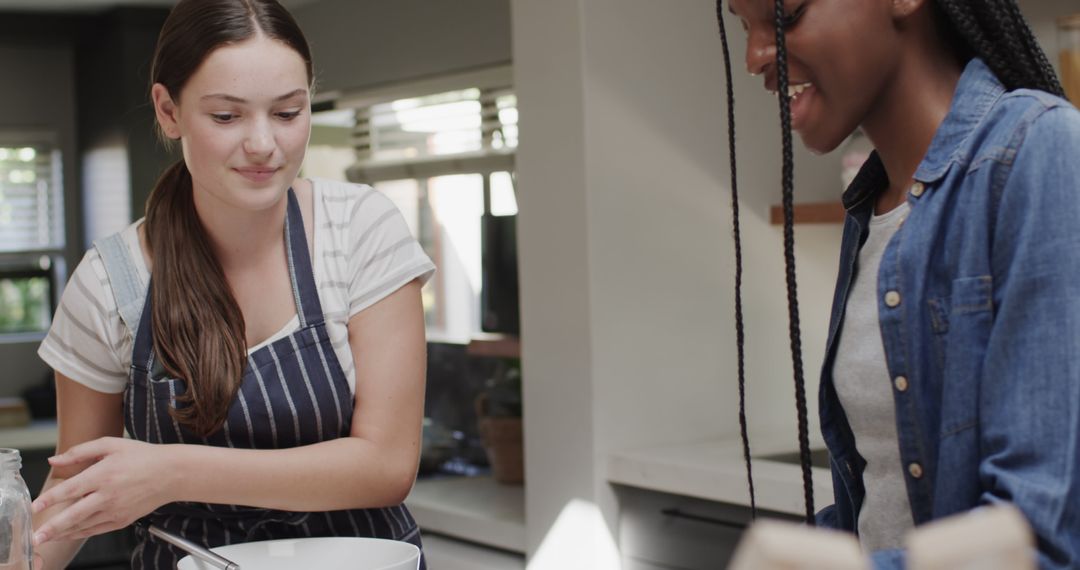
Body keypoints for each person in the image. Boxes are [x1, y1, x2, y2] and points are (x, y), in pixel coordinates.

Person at [30, 0, 435, 568]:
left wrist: (170, 473)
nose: (264, 144)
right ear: (168, 111)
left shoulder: (361, 230)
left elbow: (387, 466)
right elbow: (73, 495)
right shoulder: (110, 282)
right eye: (227, 117)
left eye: (289, 113)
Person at [719, 0, 1080, 568]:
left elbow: (1040, 535)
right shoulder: (874, 210)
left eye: (784, 16)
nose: (755, 55)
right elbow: (888, 508)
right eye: (746, 28)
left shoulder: (1040, 150)